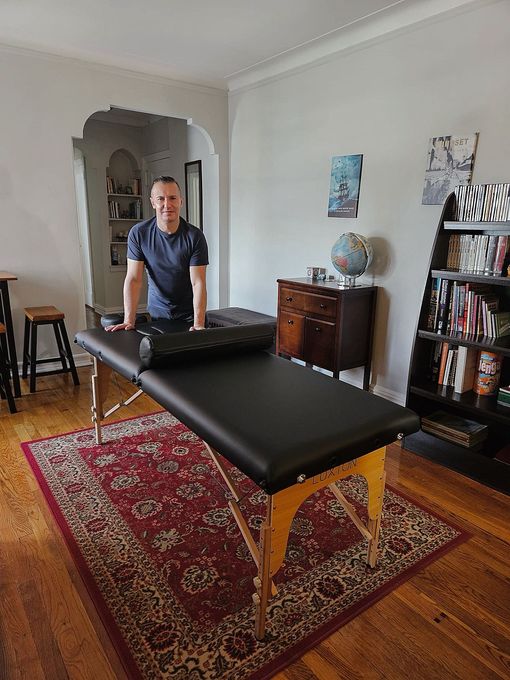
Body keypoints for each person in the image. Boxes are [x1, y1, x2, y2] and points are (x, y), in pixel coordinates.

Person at [106, 176, 208, 332]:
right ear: (153, 202)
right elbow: (134, 279)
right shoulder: (139, 233)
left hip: (189, 315)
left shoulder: (195, 236)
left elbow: (198, 283)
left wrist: (199, 324)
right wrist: (128, 320)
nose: (167, 204)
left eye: (172, 198)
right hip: (157, 313)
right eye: (161, 199)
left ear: (181, 201)